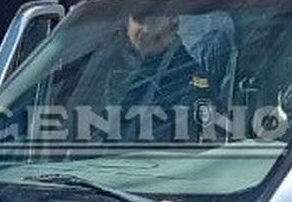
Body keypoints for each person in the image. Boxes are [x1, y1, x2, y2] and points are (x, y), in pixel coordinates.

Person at [77, 11, 219, 143]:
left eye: (153, 16)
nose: (145, 28)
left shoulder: (190, 81)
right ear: (127, 23)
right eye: (139, 18)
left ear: (172, 22)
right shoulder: (99, 68)